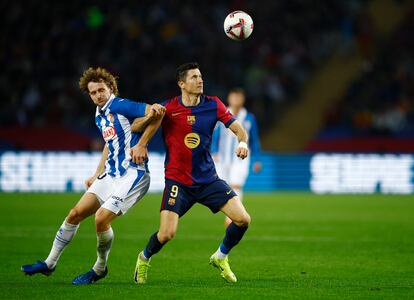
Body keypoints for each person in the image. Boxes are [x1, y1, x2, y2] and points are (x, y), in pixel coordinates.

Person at [21, 67, 165, 285]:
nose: (98, 95)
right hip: (111, 173)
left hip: (133, 175)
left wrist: (142, 144)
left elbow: (156, 111)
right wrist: (97, 172)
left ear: (110, 89)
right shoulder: (100, 114)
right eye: (93, 92)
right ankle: (49, 264)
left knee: (101, 219)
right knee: (75, 213)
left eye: (101, 90)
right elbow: (111, 144)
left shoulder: (119, 104)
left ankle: (99, 268)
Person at [132, 62, 251, 284]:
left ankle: (220, 257)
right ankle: (144, 258)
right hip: (178, 181)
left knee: (243, 219)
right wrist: (149, 120)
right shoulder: (168, 108)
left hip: (208, 180)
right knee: (166, 234)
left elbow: (239, 129)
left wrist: (242, 143)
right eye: (194, 77)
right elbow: (136, 127)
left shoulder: (213, 105)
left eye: (201, 76)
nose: (200, 80)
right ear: (181, 84)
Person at [212, 87, 262, 227]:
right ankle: (231, 213)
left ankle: (232, 217)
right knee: (224, 187)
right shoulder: (222, 114)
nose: (236, 100)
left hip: (241, 158)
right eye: (233, 97)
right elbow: (215, 135)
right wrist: (214, 151)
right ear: (229, 99)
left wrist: (257, 159)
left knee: (236, 185)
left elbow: (255, 140)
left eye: (238, 97)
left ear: (243, 99)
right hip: (221, 158)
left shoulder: (249, 118)